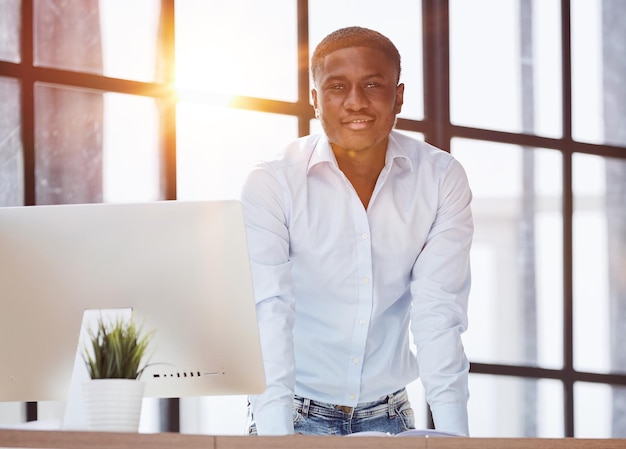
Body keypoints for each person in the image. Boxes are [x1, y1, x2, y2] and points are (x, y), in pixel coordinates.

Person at [240, 26, 473, 437]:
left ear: (398, 95)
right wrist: (277, 439)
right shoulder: (273, 182)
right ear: (315, 99)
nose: (355, 102)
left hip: (393, 418)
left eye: (372, 84)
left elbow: (438, 311)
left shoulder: (440, 179)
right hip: (292, 412)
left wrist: (457, 440)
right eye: (336, 86)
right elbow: (269, 312)